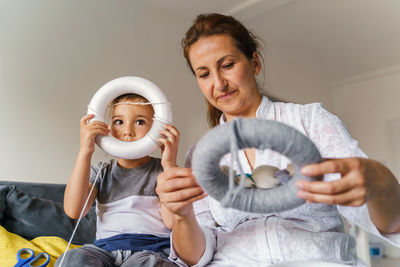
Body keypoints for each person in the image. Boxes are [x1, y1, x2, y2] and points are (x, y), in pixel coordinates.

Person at [155, 13, 400, 266]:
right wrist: (183, 214)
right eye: (204, 74)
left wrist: (382, 184)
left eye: (227, 65)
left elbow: (379, 217)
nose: (219, 83)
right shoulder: (201, 155)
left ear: (255, 63)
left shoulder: (311, 121)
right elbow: (196, 256)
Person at [56, 94, 179, 267]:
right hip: (104, 251)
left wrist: (170, 165)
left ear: (155, 128)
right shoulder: (101, 171)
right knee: (74, 258)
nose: (127, 131)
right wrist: (85, 151)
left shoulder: (163, 170)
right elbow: (74, 210)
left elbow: (172, 222)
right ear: (108, 127)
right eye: (118, 122)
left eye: (140, 121)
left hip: (150, 251)